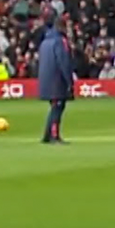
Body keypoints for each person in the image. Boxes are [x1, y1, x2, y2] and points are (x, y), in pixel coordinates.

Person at [37, 13, 74, 144]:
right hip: (57, 80)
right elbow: (63, 61)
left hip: (46, 79)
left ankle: (47, 135)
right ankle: (54, 135)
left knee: (54, 107)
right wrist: (69, 81)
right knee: (58, 108)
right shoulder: (60, 41)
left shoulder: (45, 41)